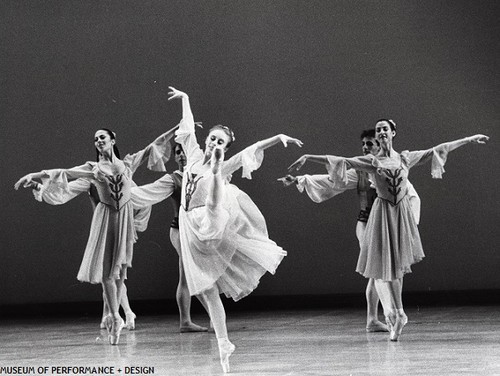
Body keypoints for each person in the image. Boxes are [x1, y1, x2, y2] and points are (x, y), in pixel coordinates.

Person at [288, 119, 488, 341]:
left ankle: (394, 314)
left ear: (393, 133)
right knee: (383, 268)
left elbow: (437, 150)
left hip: (400, 216)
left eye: (385, 129)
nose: (381, 132)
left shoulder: (404, 158)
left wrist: (468, 140)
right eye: (378, 129)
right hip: (381, 216)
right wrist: (308, 158)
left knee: (397, 268)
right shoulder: (371, 162)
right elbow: (339, 162)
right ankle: (393, 314)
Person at [168, 86, 302, 372]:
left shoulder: (227, 160)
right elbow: (188, 129)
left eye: (221, 142)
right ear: (207, 141)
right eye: (213, 139)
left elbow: (251, 150)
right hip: (189, 225)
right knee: (206, 290)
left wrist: (277, 138)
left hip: (208, 221)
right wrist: (187, 100)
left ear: (224, 148)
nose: (215, 142)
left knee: (218, 188)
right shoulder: (191, 155)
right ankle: (223, 343)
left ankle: (216, 175)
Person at [14, 126, 176, 345]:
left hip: (125, 222)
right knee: (108, 274)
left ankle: (115, 314)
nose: (98, 141)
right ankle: (115, 316)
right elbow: (65, 173)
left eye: (102, 137)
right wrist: (34, 176)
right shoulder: (93, 169)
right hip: (107, 222)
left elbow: (152, 146)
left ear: (112, 140)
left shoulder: (127, 164)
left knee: (121, 272)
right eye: (95, 139)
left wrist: (180, 126)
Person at [279, 129, 419, 332]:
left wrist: (409, 224)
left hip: (388, 227)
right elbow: (332, 180)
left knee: (377, 272)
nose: (365, 147)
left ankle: (372, 319)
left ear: (381, 145)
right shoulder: (361, 172)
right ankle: (390, 313)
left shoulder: (394, 169)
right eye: (364, 144)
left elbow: (411, 196)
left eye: (370, 144)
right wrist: (301, 179)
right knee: (378, 268)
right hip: (366, 225)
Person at [128, 143, 210, 332]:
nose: (181, 155)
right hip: (180, 232)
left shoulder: (202, 174)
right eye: (178, 152)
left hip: (199, 231)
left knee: (193, 275)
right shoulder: (173, 179)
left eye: (184, 151)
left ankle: (190, 321)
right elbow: (147, 192)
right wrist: (118, 194)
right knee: (190, 274)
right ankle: (192, 320)